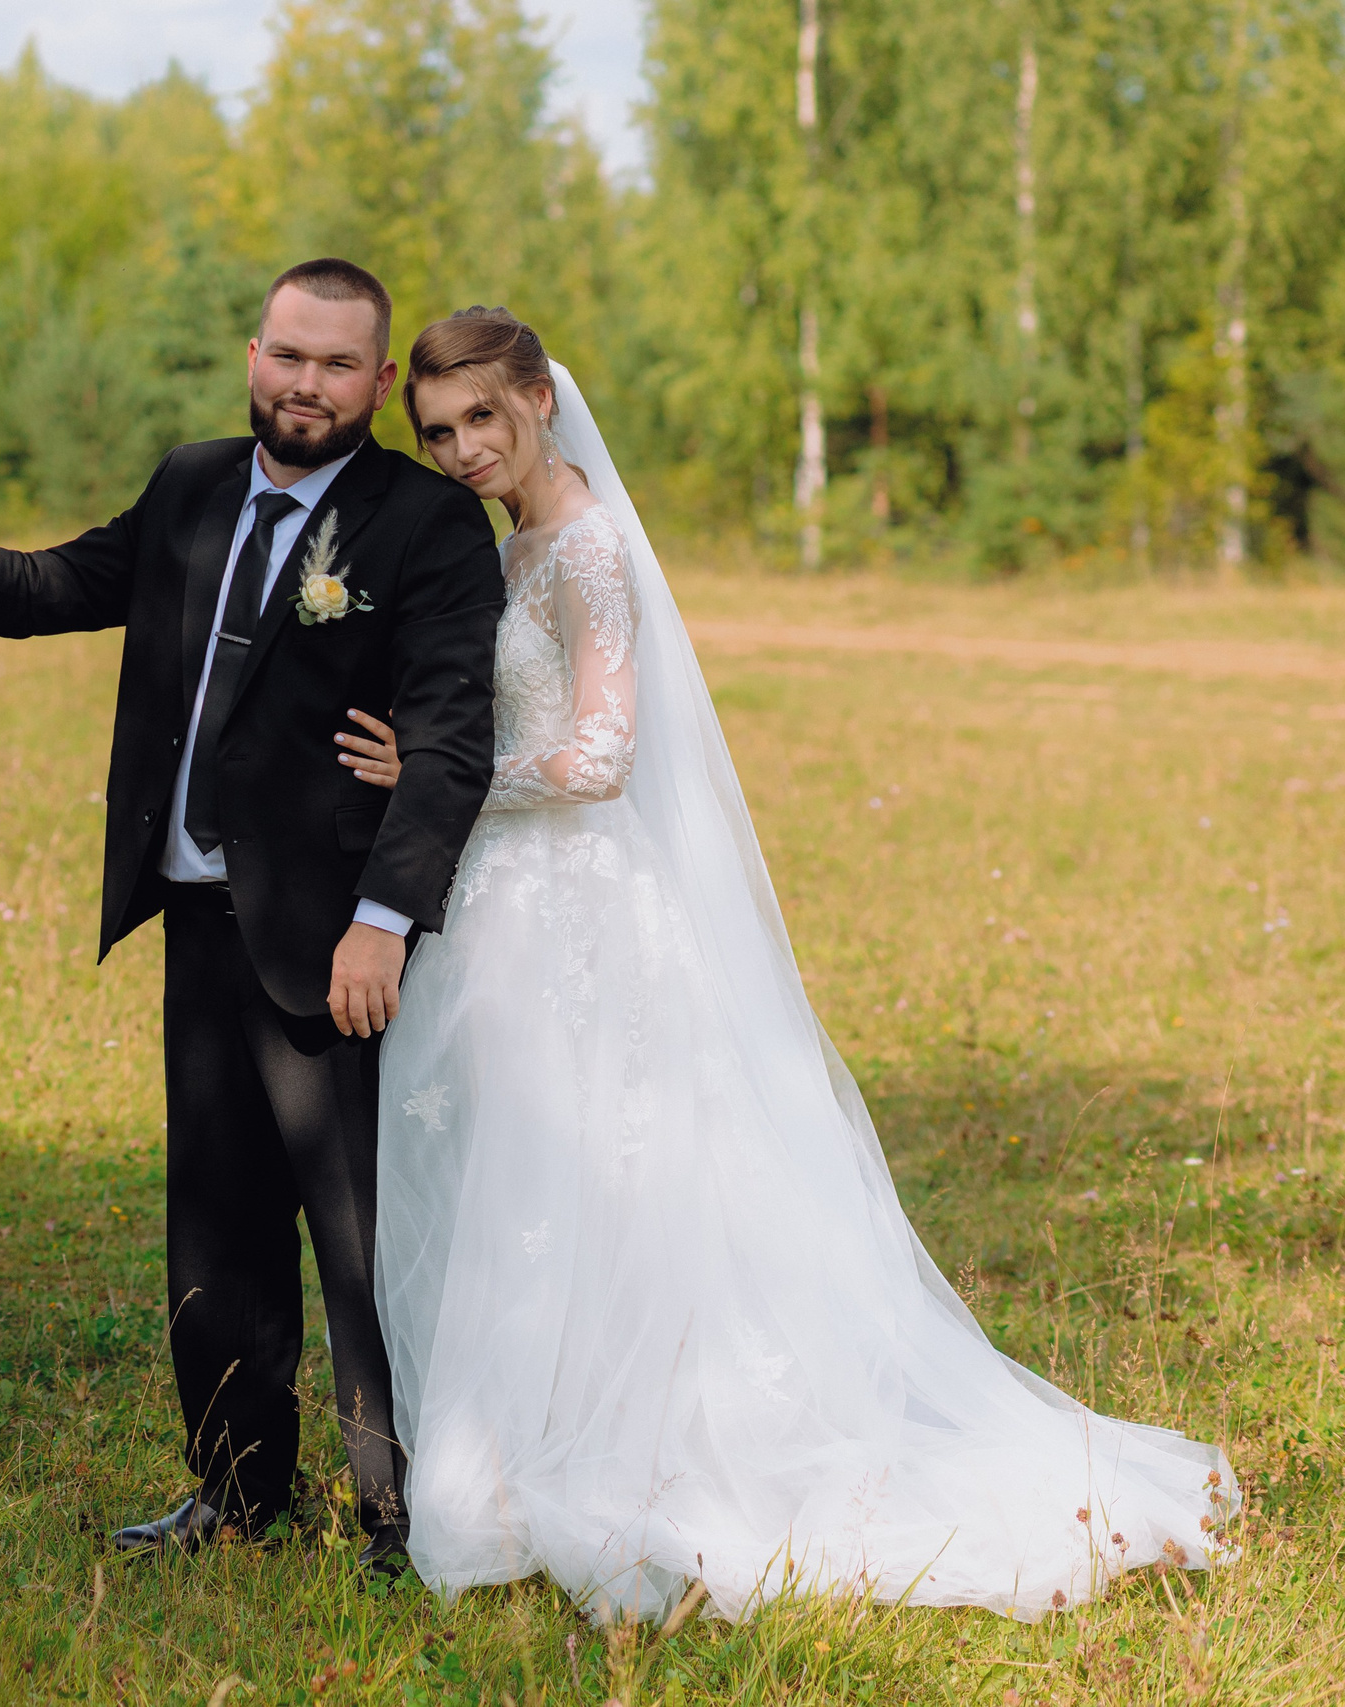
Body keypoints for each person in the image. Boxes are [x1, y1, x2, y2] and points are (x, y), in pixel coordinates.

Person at [334, 306, 1237, 1622]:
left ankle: (636, 1444)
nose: (466, 447)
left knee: (611, 1175)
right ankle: (524, 1439)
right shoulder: (514, 538)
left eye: (486, 417)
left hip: (581, 907)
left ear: (541, 397)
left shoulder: (584, 545)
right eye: (440, 430)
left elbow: (602, 758)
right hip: (513, 907)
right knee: (522, 1173)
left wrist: (444, 776)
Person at [0, 259, 504, 1570]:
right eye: (287, 355)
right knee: (214, 1233)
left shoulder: (424, 528)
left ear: (374, 382)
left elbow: (452, 745)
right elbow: (54, 590)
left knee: (361, 1247)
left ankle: (394, 1520)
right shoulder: (193, 486)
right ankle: (239, 1501)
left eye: (337, 365)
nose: (306, 384)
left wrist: (382, 920)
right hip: (199, 929)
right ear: (254, 354)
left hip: (336, 949)